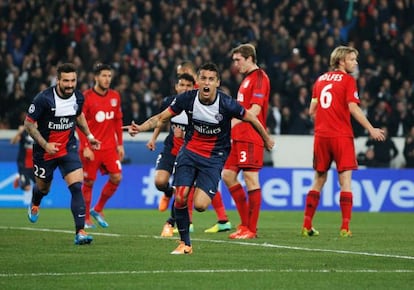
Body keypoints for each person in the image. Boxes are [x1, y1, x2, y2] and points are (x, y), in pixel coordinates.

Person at [124, 62, 274, 254]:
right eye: (203, 78)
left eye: (211, 79)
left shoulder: (226, 103)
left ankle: (213, 220)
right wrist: (141, 128)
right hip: (189, 152)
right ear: (198, 81)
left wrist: (266, 139)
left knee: (201, 205)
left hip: (213, 158)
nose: (207, 83)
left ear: (217, 83)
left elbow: (252, 118)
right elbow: (160, 118)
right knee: (180, 196)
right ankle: (185, 243)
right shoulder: (187, 99)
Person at [301, 46, 385, 238]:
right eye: (352, 59)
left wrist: (326, 119)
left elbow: (311, 111)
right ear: (341, 61)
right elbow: (353, 108)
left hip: (321, 136)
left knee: (318, 180)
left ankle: (307, 225)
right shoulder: (348, 80)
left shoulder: (320, 80)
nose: (355, 63)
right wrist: (371, 128)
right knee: (345, 181)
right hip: (341, 136)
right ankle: (345, 228)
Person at [24, 62, 100, 245]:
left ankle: (80, 231)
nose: (70, 85)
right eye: (66, 81)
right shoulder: (44, 99)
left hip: (68, 148)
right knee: (43, 188)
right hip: (44, 152)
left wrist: (89, 136)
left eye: (73, 80)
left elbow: (79, 116)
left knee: (76, 187)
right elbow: (28, 124)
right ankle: (35, 202)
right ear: (58, 80)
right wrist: (45, 144)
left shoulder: (78, 98)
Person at [222, 43, 271, 240]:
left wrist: (231, 124)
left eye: (238, 60)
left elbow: (256, 110)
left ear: (250, 58)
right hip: (239, 136)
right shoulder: (246, 80)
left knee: (251, 179)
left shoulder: (259, 78)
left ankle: (251, 229)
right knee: (227, 175)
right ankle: (244, 225)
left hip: (251, 136)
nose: (235, 64)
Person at [77, 63, 124, 229]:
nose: (107, 79)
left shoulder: (115, 96)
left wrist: (120, 144)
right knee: (88, 182)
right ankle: (86, 218)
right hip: (92, 148)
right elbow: (79, 123)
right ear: (96, 77)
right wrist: (85, 146)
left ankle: (98, 209)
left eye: (109, 76)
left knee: (117, 177)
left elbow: (118, 121)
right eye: (104, 75)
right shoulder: (86, 97)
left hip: (110, 147)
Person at [10, 123, 35, 205]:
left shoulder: (39, 133)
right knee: (27, 188)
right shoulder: (23, 132)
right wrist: (19, 132)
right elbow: (13, 142)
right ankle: (20, 178)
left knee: (42, 186)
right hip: (23, 164)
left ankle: (19, 177)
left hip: (35, 164)